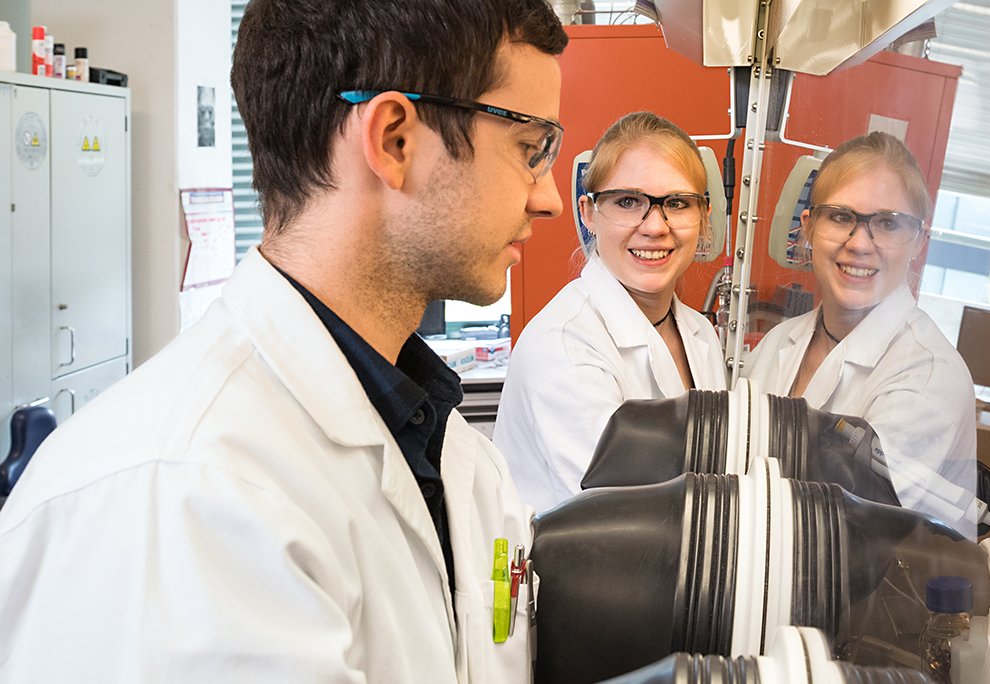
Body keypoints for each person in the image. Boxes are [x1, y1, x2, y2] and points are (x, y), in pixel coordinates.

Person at [0, 0, 566, 680]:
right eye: (529, 150)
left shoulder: (440, 444)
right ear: (394, 140)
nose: (548, 198)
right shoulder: (187, 499)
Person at [742, 132, 979, 536]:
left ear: (919, 240)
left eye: (887, 224)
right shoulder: (780, 343)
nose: (860, 244)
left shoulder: (927, 374)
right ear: (808, 227)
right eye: (840, 216)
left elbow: (847, 524)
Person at [496, 112, 727, 512]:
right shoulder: (564, 346)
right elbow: (627, 517)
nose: (655, 226)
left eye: (677, 203)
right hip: (582, 570)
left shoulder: (698, 333)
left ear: (704, 216)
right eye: (628, 201)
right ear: (588, 213)